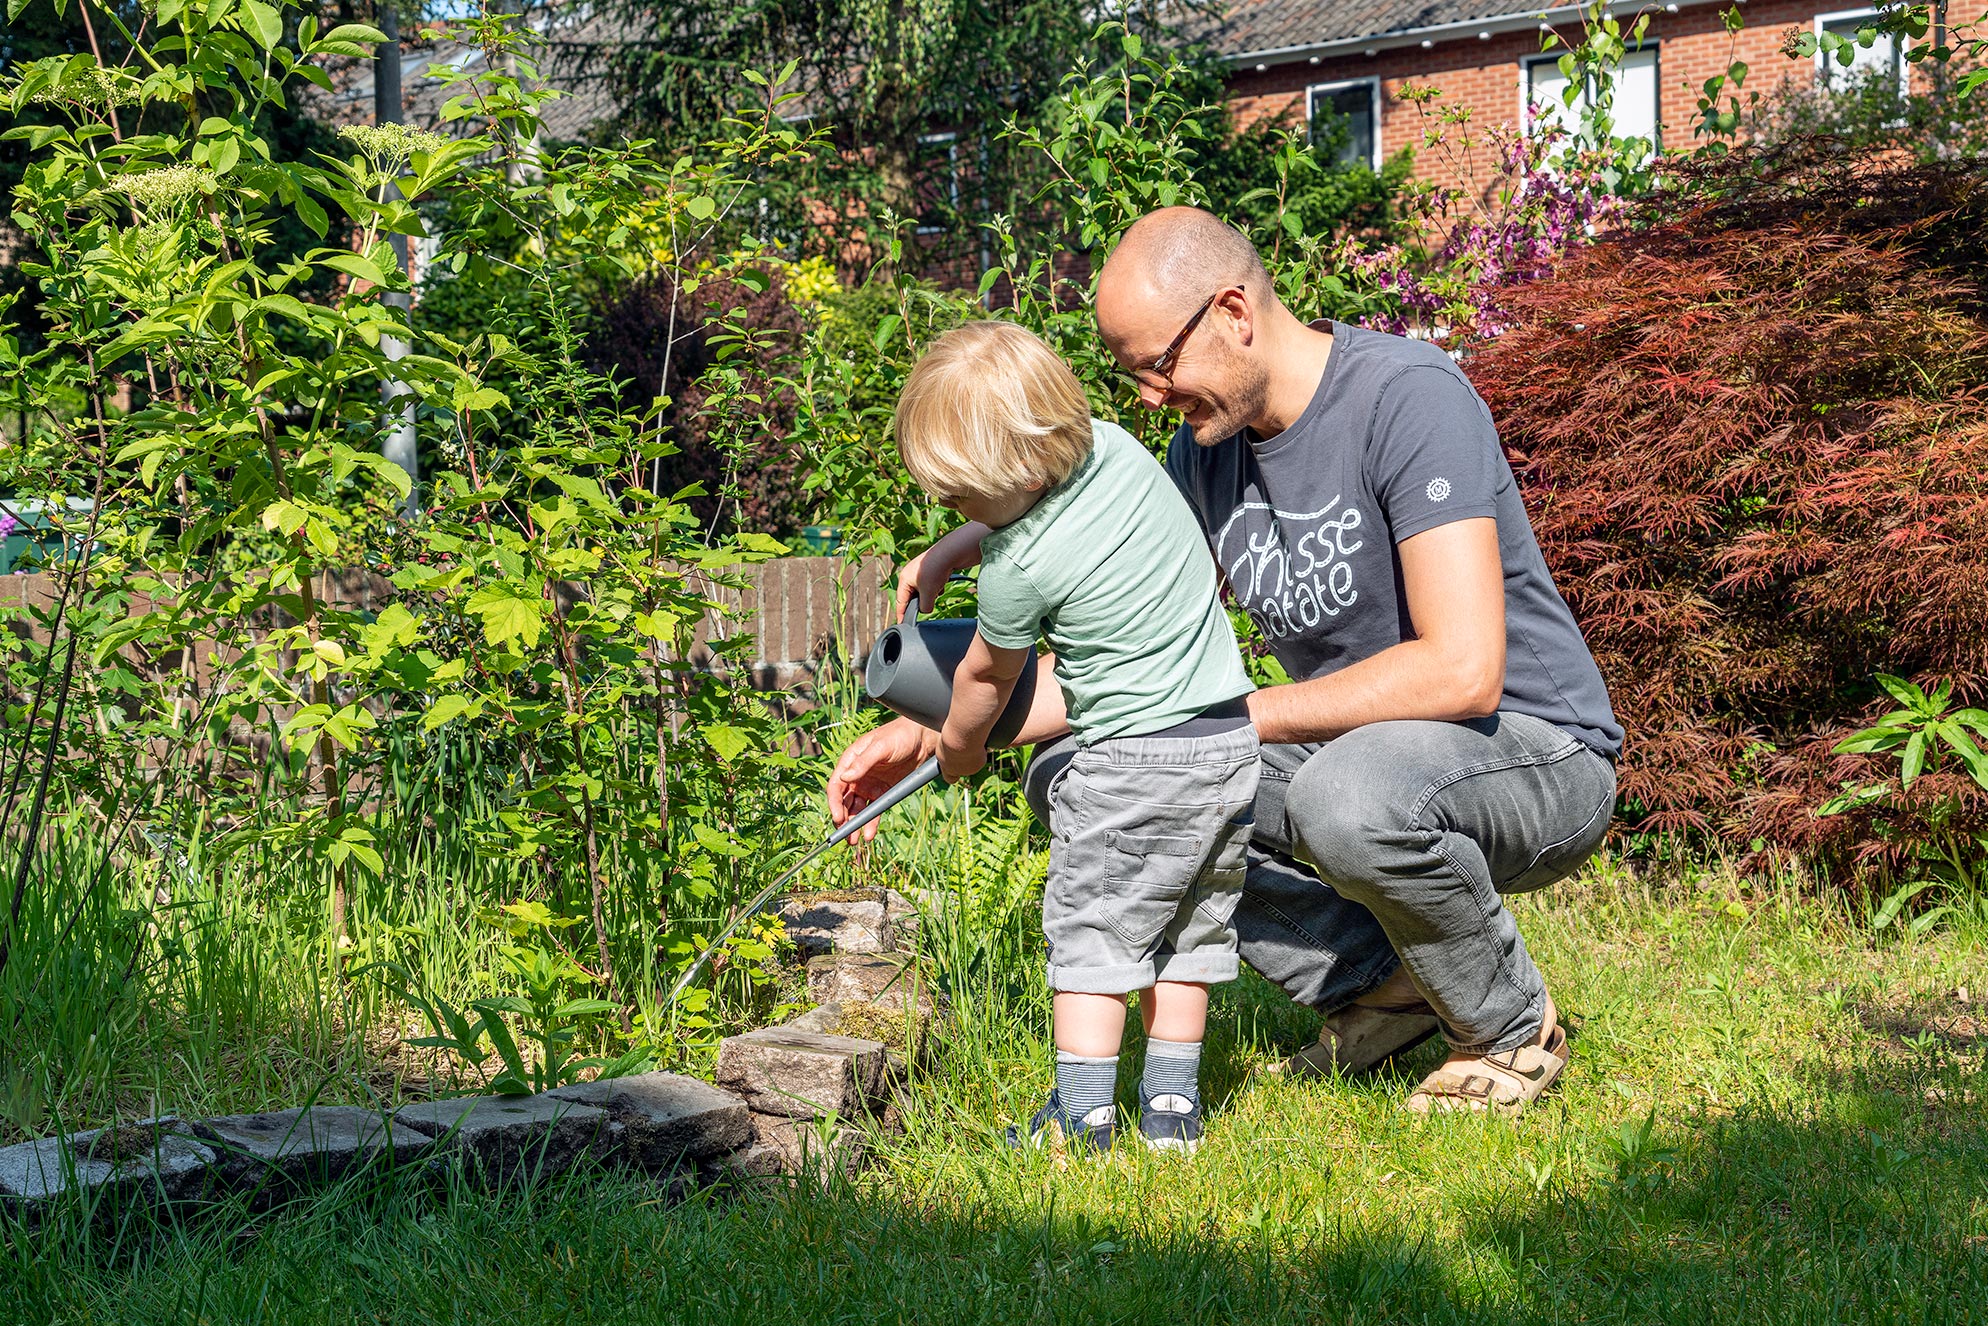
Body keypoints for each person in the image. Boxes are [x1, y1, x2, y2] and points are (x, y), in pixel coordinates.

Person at [834, 206, 1621, 1115]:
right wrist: (934, 731)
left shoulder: (1408, 397)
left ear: (1234, 313)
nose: (1148, 397)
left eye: (1157, 365)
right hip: (1358, 751)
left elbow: (1461, 671)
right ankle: (1383, 985)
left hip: (1533, 750)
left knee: (1334, 794)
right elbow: (1122, 676)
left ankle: (1508, 1028)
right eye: (1131, 375)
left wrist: (1222, 720)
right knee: (1087, 775)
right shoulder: (1204, 457)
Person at [891, 319, 1259, 1154]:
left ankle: (1083, 1117)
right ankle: (1172, 1112)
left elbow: (986, 680)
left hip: (1130, 763)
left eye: (959, 500)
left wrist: (958, 748)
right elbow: (1026, 509)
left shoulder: (1017, 569)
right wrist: (949, 550)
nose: (954, 512)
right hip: (1228, 744)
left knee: (1093, 936)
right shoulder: (1116, 450)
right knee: (1188, 934)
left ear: (1020, 476)